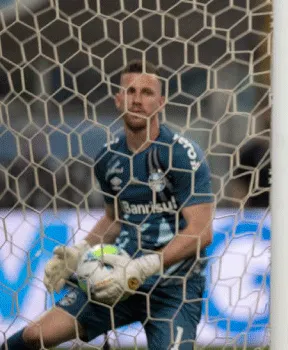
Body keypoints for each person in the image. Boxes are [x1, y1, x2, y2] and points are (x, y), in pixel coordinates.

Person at [4, 60, 215, 349]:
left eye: (147, 92)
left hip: (173, 289)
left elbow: (201, 232)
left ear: (161, 101)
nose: (137, 99)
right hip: (115, 280)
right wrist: (78, 252)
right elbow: (115, 219)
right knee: (36, 335)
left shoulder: (181, 154)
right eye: (130, 91)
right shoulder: (108, 157)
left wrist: (145, 265)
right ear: (118, 99)